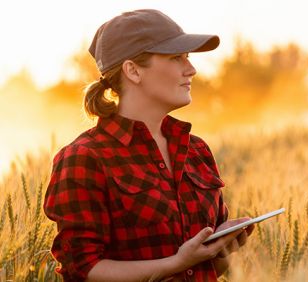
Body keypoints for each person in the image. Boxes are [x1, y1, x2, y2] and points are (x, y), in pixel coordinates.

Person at [43, 9, 254, 282]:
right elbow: (84, 269)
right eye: (176, 57)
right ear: (133, 70)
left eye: (188, 57)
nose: (191, 69)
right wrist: (176, 262)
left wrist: (222, 251)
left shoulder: (196, 150)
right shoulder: (85, 158)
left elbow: (204, 270)